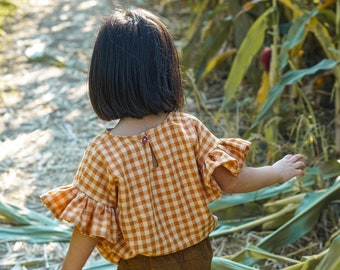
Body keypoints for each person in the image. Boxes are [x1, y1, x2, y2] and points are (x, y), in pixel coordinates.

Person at [40, 7, 305, 270]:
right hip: (197, 257)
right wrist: (277, 172)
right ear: (166, 71)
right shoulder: (188, 128)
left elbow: (88, 227)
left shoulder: (103, 153)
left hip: (142, 264)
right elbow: (233, 182)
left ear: (103, 79)